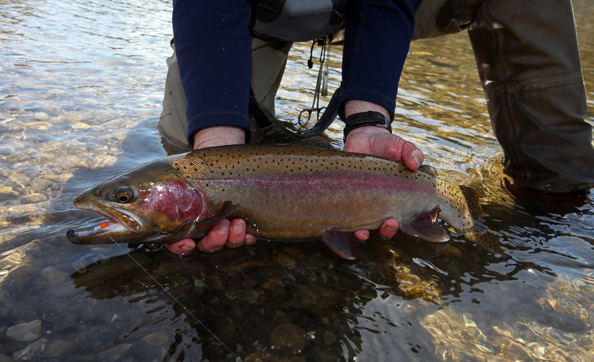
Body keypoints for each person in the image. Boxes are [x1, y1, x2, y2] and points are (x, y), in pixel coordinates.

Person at [158, 0, 594, 256]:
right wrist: (216, 135)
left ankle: (556, 212)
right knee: (186, 146)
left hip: (379, 8)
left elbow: (387, 3)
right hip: (251, 14)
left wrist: (368, 120)